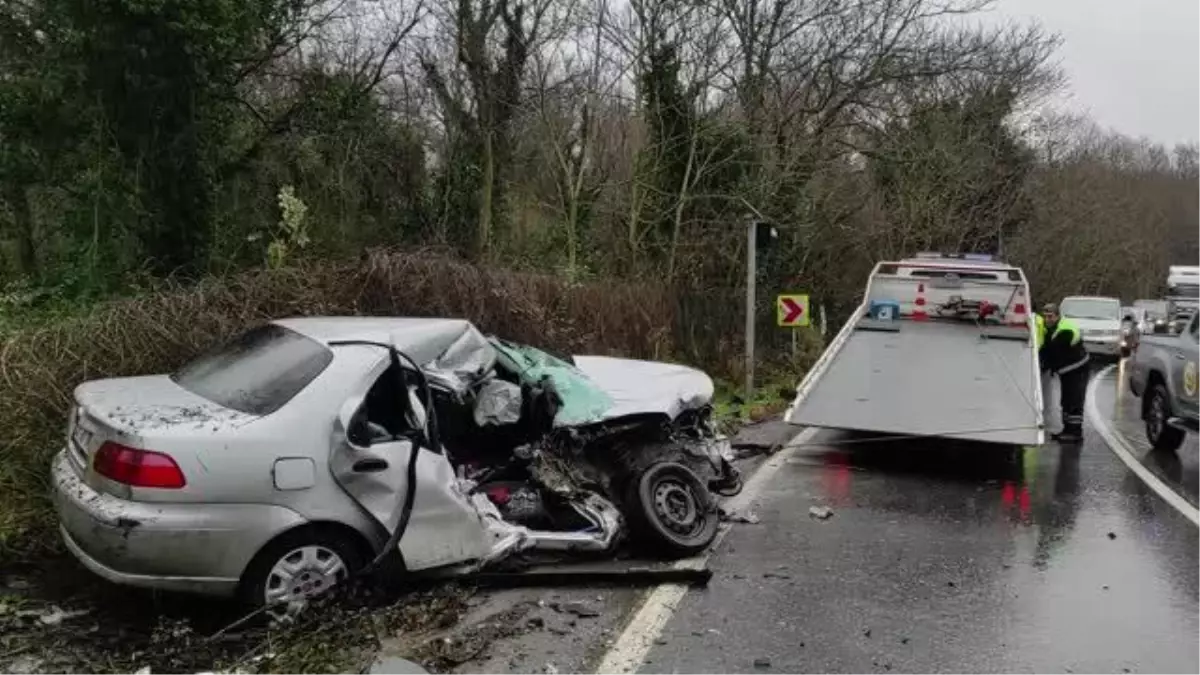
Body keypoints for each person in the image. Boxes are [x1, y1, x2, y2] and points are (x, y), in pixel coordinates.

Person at [1038, 302, 1089, 443]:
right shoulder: (1051, 329)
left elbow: (1053, 353)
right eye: (1045, 317)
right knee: (1066, 400)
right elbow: (1046, 349)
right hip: (1068, 370)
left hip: (1078, 369)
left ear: (1058, 316)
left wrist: (1043, 366)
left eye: (1051, 317)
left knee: (1074, 400)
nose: (1047, 320)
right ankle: (1067, 430)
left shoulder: (1065, 330)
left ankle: (1076, 433)